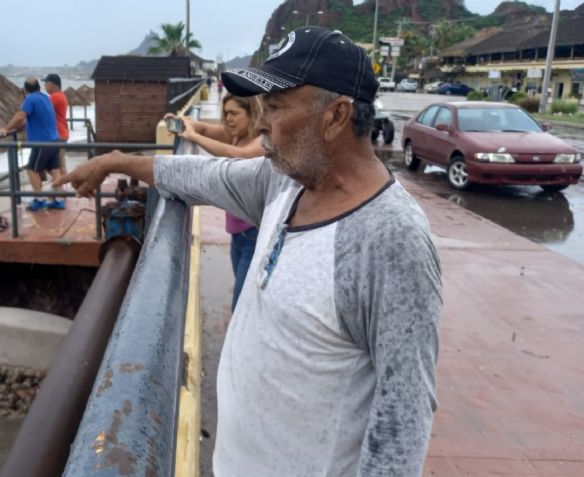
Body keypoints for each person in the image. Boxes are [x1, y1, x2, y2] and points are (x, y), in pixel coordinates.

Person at [54, 27, 442, 476]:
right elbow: (200, 175)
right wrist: (117, 160)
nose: (260, 124)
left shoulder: (391, 239)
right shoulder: (284, 181)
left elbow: (403, 415)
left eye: (274, 107)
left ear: (335, 117)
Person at [169, 95, 264, 311]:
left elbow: (240, 155)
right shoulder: (234, 135)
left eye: (234, 113)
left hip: (254, 234)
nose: (228, 119)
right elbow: (201, 127)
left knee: (240, 305)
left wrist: (195, 137)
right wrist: (183, 123)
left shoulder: (260, 142)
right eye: (226, 113)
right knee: (247, 298)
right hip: (236, 234)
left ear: (252, 114)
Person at [0, 77, 64, 211]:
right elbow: (38, 117)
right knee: (55, 170)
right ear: (39, 87)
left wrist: (6, 129)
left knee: (31, 170)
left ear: (25, 90)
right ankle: (59, 200)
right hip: (54, 140)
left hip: (42, 143)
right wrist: (25, 125)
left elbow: (20, 116)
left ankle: (39, 200)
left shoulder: (30, 99)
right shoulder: (45, 98)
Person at [44, 73, 70, 177]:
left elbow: (42, 112)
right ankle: (61, 187)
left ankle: (60, 186)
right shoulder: (61, 95)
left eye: (46, 83)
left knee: (52, 164)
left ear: (53, 85)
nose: (45, 86)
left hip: (57, 134)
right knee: (60, 164)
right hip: (63, 132)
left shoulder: (54, 97)